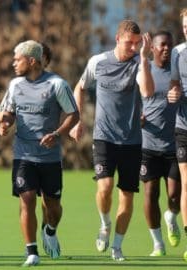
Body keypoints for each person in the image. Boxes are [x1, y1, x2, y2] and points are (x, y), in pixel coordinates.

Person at [69, 20, 154, 261]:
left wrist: (146, 59)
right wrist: (77, 120)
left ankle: (117, 246)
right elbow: (80, 86)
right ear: (118, 39)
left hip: (131, 140)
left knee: (126, 196)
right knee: (104, 188)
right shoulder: (98, 61)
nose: (134, 47)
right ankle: (105, 224)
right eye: (130, 43)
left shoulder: (139, 63)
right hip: (104, 136)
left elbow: (147, 91)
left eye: (138, 43)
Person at [0, 40, 79, 266]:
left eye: (17, 59)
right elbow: (8, 112)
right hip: (23, 154)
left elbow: (74, 114)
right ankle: (31, 251)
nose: (13, 63)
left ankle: (50, 230)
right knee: (27, 199)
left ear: (32, 61)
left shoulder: (57, 84)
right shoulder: (15, 85)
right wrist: (4, 123)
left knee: (52, 208)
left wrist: (58, 133)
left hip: (50, 158)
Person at [140, 30, 181, 256]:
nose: (167, 48)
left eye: (170, 45)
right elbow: (132, 98)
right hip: (148, 144)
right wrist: (137, 116)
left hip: (175, 144)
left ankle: (171, 216)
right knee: (150, 192)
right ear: (153, 48)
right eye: (162, 45)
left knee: (174, 195)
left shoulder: (180, 72)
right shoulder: (144, 70)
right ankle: (157, 243)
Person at [171, 7, 187, 261]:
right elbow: (174, 85)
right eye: (185, 27)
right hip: (184, 126)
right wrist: (173, 94)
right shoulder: (177, 52)